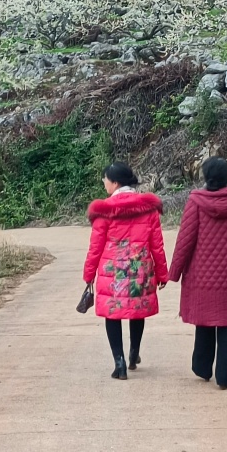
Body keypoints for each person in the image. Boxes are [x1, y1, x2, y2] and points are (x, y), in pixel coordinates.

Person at [168, 157, 227, 389]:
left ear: (205, 176)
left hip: (203, 277)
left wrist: (175, 271)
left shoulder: (196, 202)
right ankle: (225, 378)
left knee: (205, 320)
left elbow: (185, 240)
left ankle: (202, 367)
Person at [83, 163, 169, 380]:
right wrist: (162, 272)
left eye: (105, 180)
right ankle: (133, 353)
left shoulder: (104, 210)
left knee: (113, 314)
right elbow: (157, 244)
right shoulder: (148, 208)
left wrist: (88, 274)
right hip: (139, 268)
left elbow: (95, 247)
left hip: (112, 272)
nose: (104, 183)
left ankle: (118, 362)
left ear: (115, 183)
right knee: (136, 310)